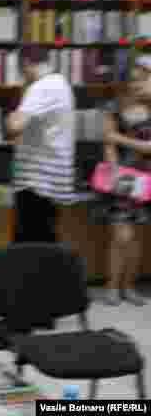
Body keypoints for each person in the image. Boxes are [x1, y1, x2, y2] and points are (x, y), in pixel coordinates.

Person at [5, 45, 75, 243]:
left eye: (21, 70)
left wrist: (7, 115)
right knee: (44, 243)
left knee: (29, 247)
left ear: (26, 63)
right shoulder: (61, 83)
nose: (22, 75)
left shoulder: (42, 87)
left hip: (36, 182)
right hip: (51, 181)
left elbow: (14, 125)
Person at [100, 54, 151, 306]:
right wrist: (115, 170)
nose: (136, 84)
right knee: (121, 236)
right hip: (121, 177)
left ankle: (129, 286)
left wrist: (120, 139)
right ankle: (112, 287)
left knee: (137, 237)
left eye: (142, 79)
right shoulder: (113, 106)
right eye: (133, 79)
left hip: (146, 179)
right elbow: (107, 141)